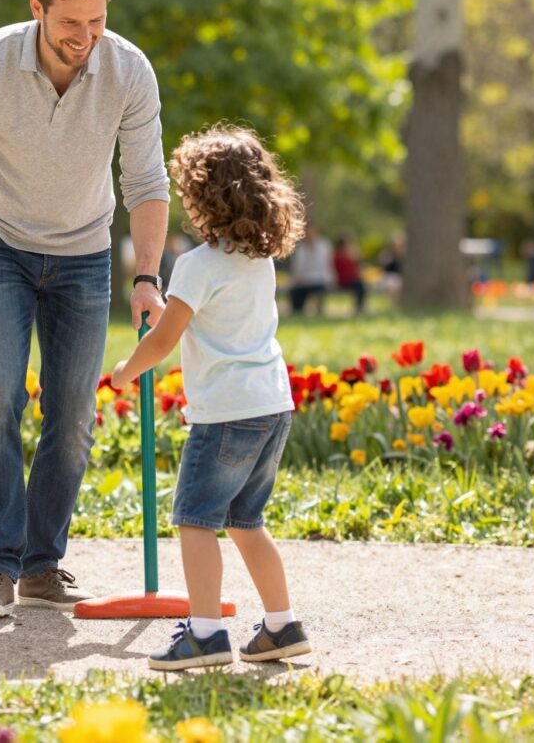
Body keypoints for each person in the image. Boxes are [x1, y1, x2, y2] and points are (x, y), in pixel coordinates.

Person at [0, 0, 170, 619]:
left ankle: (42, 566)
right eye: (69, 24)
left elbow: (147, 180)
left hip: (85, 254)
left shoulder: (127, 70)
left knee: (72, 414)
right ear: (36, 8)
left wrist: (146, 275)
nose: (84, 39)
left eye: (95, 23)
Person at [111, 124, 312, 671]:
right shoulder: (259, 258)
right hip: (272, 404)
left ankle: (204, 635)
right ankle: (281, 625)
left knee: (196, 519)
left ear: (204, 200)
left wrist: (127, 370)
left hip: (225, 413)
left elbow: (165, 337)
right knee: (247, 521)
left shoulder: (197, 266)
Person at [287, 219, 333, 315]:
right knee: (296, 292)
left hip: (319, 281)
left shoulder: (324, 246)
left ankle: (319, 312)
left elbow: (325, 267)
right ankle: (297, 312)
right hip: (304, 282)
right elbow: (297, 268)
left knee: (318, 289)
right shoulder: (301, 249)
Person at [332, 233, 366, 314]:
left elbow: (356, 268)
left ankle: (359, 306)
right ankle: (359, 307)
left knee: (360, 285)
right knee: (359, 285)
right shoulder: (338, 255)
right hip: (343, 281)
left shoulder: (351, 254)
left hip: (352, 280)